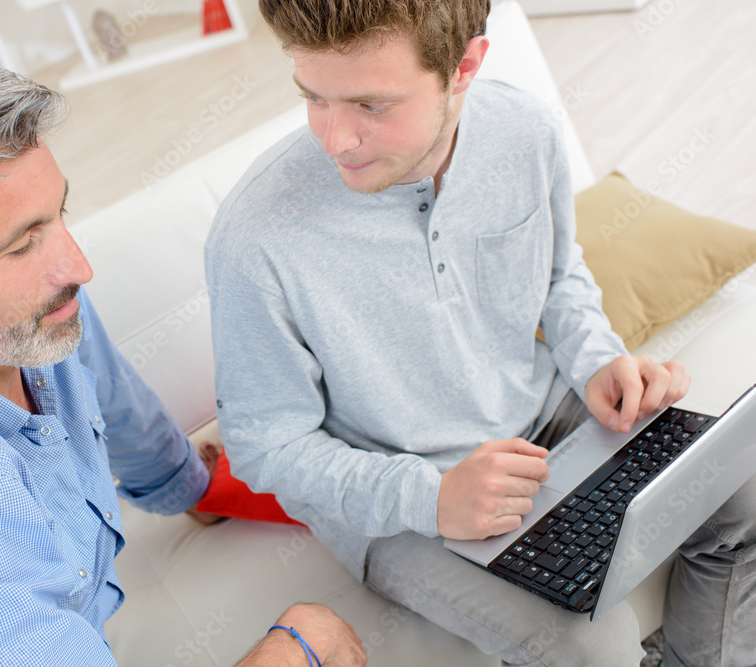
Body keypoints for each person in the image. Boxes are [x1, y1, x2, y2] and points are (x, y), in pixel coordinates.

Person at [204, 1, 756, 665]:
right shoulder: (255, 237)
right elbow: (266, 446)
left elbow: (558, 276)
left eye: (371, 105)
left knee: (744, 494)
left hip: (548, 412)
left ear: (464, 66)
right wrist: (432, 498)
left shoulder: (527, 130)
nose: (335, 138)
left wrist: (597, 359)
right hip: (404, 504)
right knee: (595, 650)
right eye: (313, 97)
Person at [0, 69, 366, 666]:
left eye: (58, 216)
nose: (76, 266)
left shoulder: (27, 314)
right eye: (22, 245)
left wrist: (190, 486)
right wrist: (300, 648)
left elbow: (117, 407)